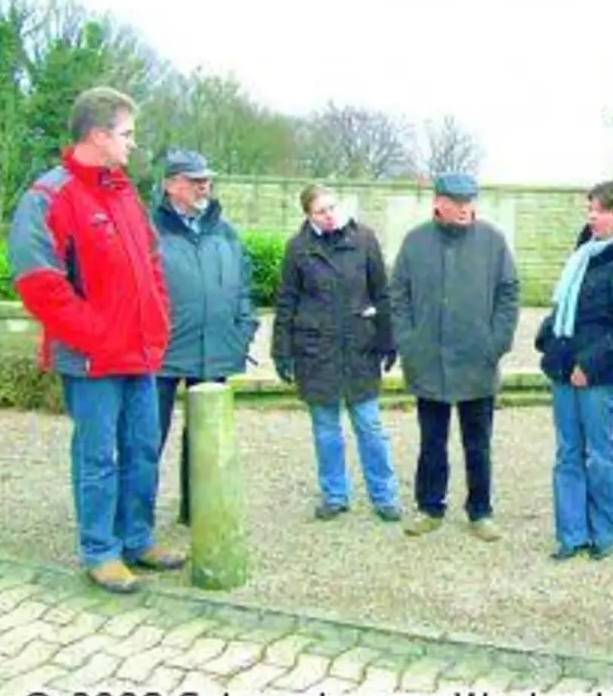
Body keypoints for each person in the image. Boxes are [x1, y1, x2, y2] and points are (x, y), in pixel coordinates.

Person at [6, 86, 184, 594]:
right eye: (127, 134)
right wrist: (97, 335)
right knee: (98, 455)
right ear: (99, 135)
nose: (133, 143)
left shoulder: (124, 192)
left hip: (139, 354)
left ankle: (136, 539)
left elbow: (151, 262)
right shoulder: (50, 197)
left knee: (142, 448)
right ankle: (100, 551)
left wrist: (158, 319)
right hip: (91, 359)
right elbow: (39, 283)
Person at [389, 173, 520, 541]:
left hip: (477, 361)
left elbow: (509, 292)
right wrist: (408, 341)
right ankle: (430, 507)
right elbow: (397, 293)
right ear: (438, 203)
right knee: (432, 441)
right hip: (428, 360)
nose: (465, 208)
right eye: (457, 202)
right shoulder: (415, 242)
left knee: (477, 442)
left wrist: (496, 343)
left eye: (469, 201)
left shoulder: (492, 241)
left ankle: (480, 511)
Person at [534, 180, 613, 561]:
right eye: (590, 208)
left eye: (598, 210)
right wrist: (547, 339)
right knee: (567, 452)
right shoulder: (582, 255)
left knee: (598, 454)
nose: (591, 215)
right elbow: (562, 308)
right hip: (564, 368)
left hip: (598, 376)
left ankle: (602, 533)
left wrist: (590, 364)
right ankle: (571, 535)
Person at [272, 186, 403, 522]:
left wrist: (388, 339)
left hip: (359, 346)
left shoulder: (365, 240)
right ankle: (334, 494)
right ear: (308, 215)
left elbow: (382, 294)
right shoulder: (298, 249)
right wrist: (281, 350)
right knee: (326, 428)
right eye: (320, 211)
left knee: (370, 426)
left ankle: (385, 495)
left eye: (332, 207)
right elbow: (286, 300)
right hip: (315, 351)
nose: (329, 215)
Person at [150, 150, 259, 527]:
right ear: (170, 185)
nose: (203, 186)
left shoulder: (225, 233)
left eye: (206, 180)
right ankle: (135, 520)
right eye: (194, 180)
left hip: (215, 350)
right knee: (147, 439)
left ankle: (198, 512)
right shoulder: (149, 230)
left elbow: (244, 287)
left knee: (206, 441)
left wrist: (242, 331)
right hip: (161, 353)